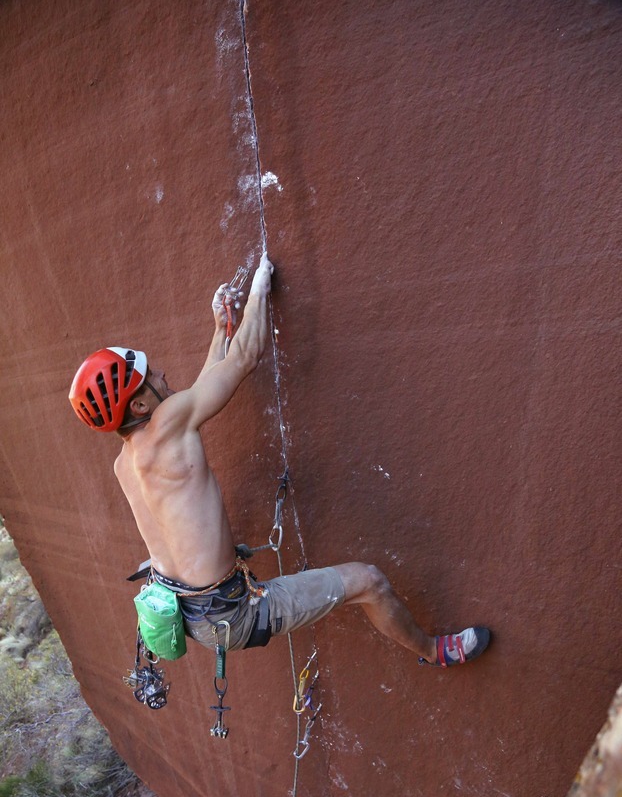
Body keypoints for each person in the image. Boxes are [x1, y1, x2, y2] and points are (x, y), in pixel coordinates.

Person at [68, 254, 490, 667]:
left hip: (196, 616)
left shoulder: (126, 463)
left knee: (361, 582)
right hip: (233, 613)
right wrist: (259, 290)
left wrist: (221, 328)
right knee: (369, 581)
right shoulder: (170, 423)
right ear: (140, 405)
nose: (162, 375)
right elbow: (245, 358)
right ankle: (434, 651)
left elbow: (203, 389)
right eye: (152, 377)